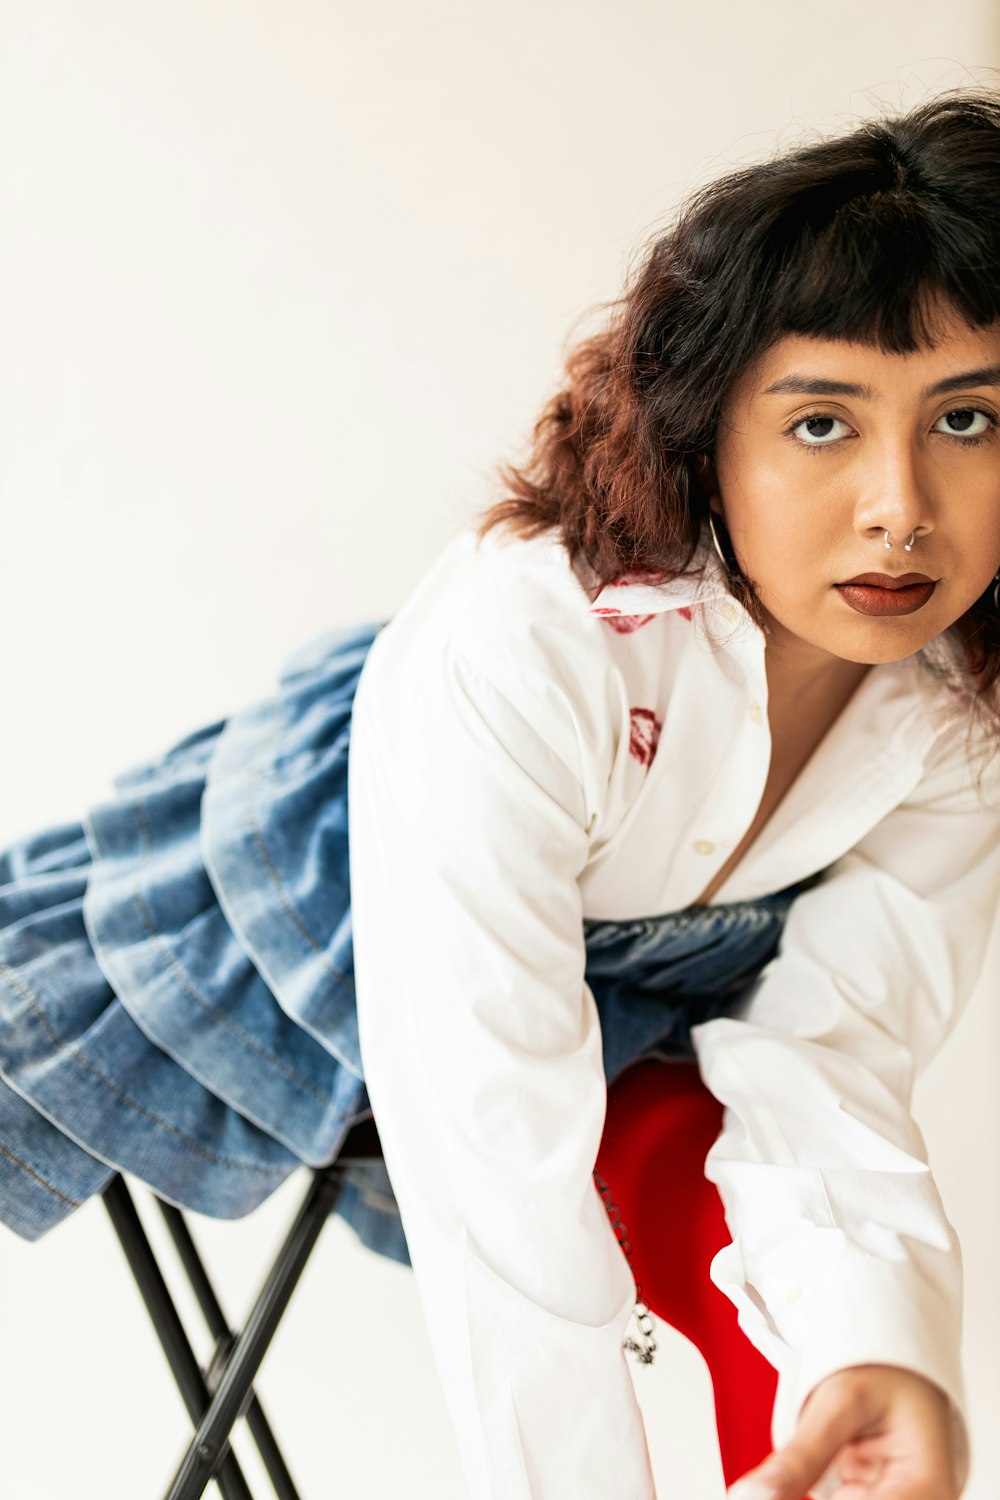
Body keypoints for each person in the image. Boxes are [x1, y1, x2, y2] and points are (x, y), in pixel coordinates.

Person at [3, 90, 1000, 1500]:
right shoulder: (535, 648)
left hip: (640, 989)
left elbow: (830, 1053)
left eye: (968, 417)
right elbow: (496, 1169)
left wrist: (879, 1351)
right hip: (342, 877)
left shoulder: (960, 704)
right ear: (706, 431)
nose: (904, 505)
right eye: (824, 424)